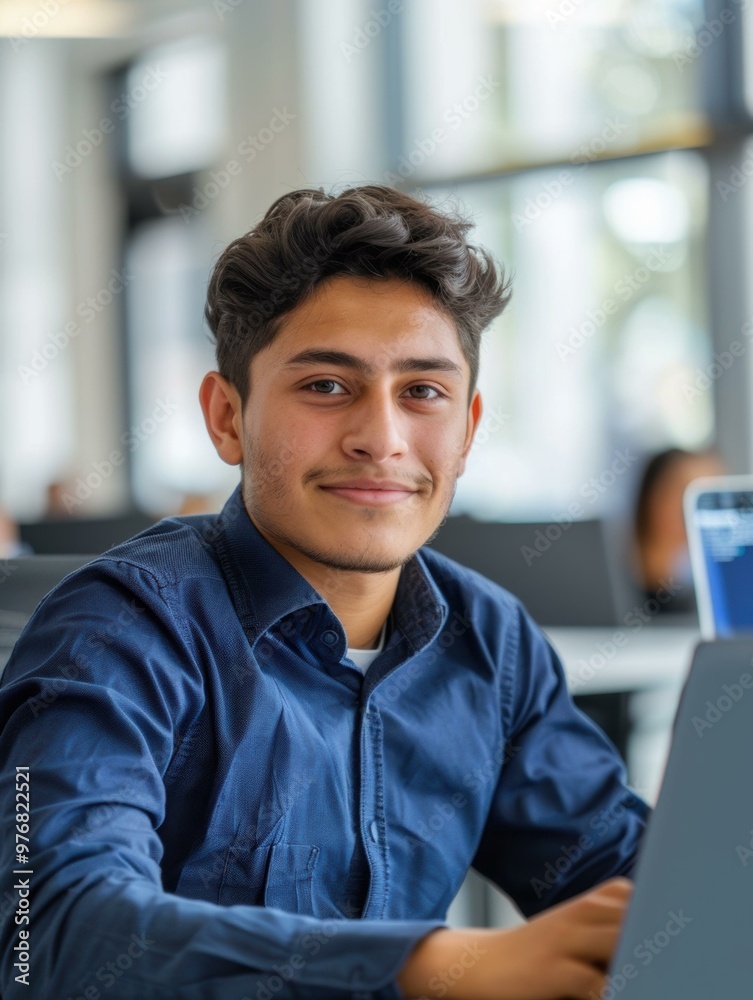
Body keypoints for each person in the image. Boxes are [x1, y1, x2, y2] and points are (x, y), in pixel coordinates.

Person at [0, 185, 648, 999]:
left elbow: (635, 888)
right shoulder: (118, 630)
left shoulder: (491, 641)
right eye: (325, 387)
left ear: (468, 429)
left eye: (423, 392)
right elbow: (52, 931)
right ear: (227, 416)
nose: (380, 438)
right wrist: (431, 970)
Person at [632, 446, 725, 613]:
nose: (704, 510)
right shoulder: (610, 582)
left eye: (713, 494)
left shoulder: (713, 597)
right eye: (686, 492)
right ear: (652, 499)